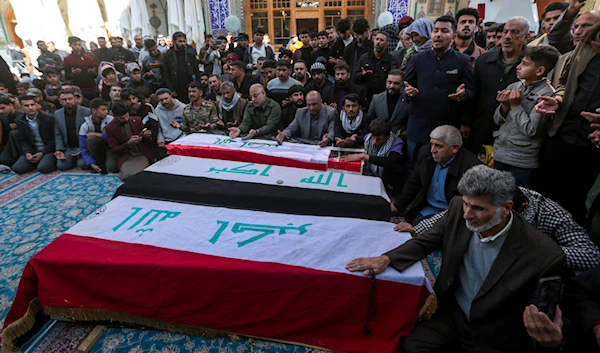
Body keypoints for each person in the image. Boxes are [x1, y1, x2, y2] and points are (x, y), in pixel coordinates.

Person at [347, 165, 566, 352]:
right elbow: (426, 241)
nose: (467, 214)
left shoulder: (544, 254)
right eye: (466, 203)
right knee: (410, 345)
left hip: (497, 333)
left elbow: (543, 321)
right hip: (452, 314)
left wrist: (550, 339)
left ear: (506, 208)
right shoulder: (456, 209)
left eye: (478, 208)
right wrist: (387, 259)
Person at [534, 21, 600, 227]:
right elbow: (564, 83)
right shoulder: (584, 48)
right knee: (547, 195)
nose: (579, 31)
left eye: (585, 25)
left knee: (579, 205)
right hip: (562, 134)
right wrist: (558, 100)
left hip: (593, 145)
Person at [403, 16, 474, 169]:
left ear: (453, 36)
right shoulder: (417, 59)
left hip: (446, 126)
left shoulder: (462, 61)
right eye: (435, 31)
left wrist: (463, 95)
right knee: (413, 166)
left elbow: (471, 91)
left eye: (444, 31)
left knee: (441, 168)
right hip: (418, 125)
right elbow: (406, 87)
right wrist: (408, 93)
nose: (438, 35)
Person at [492, 46, 559, 187]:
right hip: (500, 154)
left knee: (518, 201)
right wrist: (504, 106)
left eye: (525, 64)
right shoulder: (514, 86)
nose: (519, 66)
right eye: (520, 62)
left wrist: (516, 106)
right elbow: (497, 120)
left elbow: (531, 130)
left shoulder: (546, 94)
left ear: (540, 70)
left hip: (522, 161)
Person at [392, 125, 481, 224]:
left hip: (452, 215)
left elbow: (463, 207)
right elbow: (413, 182)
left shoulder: (472, 169)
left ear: (455, 148)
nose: (432, 150)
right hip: (426, 209)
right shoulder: (425, 153)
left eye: (439, 146)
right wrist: (398, 206)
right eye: (432, 144)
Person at [468, 17, 530, 154]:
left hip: (515, 134)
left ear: (527, 36)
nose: (507, 37)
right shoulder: (484, 61)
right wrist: (466, 122)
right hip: (482, 127)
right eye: (505, 32)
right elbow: (474, 93)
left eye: (515, 32)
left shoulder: (533, 64)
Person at [342, 117, 403, 189]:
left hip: (388, 180)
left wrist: (364, 156)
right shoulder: (369, 138)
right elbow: (360, 139)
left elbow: (391, 161)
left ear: (387, 136)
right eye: (373, 137)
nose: (375, 141)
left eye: (379, 139)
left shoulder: (397, 143)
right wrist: (351, 141)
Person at [105, 101, 153, 181]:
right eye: (122, 118)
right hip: (127, 155)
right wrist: (128, 143)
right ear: (114, 116)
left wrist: (147, 135)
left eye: (127, 116)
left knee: (143, 174)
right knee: (127, 176)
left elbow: (147, 140)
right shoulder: (110, 128)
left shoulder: (137, 120)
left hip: (140, 153)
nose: (126, 119)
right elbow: (114, 149)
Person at [13, 95, 56, 174]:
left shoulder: (48, 119)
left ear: (36, 105)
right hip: (34, 150)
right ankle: (36, 161)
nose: (30, 108)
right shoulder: (20, 121)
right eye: (26, 105)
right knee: (17, 168)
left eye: (32, 105)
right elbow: (23, 140)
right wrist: (27, 152)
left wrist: (43, 152)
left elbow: (55, 139)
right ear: (21, 107)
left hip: (48, 150)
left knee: (43, 168)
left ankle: (44, 161)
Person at [53, 90, 91, 171]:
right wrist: (59, 150)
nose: (68, 102)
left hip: (83, 146)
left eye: (70, 99)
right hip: (69, 147)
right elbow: (58, 134)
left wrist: (84, 148)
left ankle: (79, 158)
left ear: (75, 99)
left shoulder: (86, 112)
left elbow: (90, 132)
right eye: (64, 100)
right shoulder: (57, 114)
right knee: (62, 166)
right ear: (59, 101)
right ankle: (73, 158)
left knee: (83, 165)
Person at [78, 98, 117, 174]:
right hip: (96, 150)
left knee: (113, 167)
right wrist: (91, 163)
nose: (106, 112)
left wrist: (97, 134)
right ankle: (98, 163)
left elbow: (114, 138)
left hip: (111, 147)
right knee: (83, 164)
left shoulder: (111, 120)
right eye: (103, 110)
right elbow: (83, 147)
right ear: (94, 110)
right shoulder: (85, 125)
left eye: (106, 109)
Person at [163, 32, 200, 104]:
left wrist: (197, 86)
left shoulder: (190, 54)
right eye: (180, 41)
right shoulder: (168, 55)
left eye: (184, 41)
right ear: (174, 42)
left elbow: (196, 71)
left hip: (189, 84)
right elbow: (166, 73)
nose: (182, 43)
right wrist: (171, 89)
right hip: (176, 86)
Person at [356, 31, 393, 103]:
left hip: (383, 96)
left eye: (381, 40)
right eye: (377, 39)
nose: (378, 42)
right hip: (367, 95)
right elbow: (355, 75)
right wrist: (362, 75)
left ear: (387, 43)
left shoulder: (390, 59)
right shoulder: (365, 57)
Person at [368, 69, 408, 135]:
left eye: (396, 83)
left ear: (403, 84)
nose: (392, 86)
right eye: (389, 82)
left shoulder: (407, 100)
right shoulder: (376, 98)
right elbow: (370, 120)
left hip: (401, 138)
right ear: (386, 81)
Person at [154, 88, 185, 159]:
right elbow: (158, 128)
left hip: (181, 138)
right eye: (161, 100)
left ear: (171, 96)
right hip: (167, 141)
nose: (164, 101)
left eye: (166, 98)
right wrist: (160, 140)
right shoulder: (157, 111)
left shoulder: (183, 108)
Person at [0, 96, 24, 167]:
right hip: (9, 144)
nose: (1, 111)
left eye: (2, 108)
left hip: (23, 146)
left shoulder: (22, 115)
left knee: (14, 133)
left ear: (10, 105)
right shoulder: (2, 116)